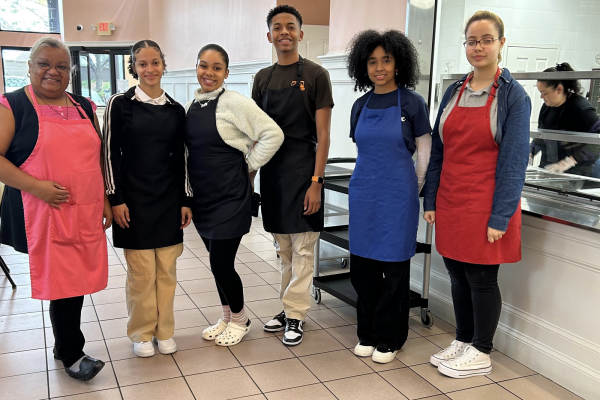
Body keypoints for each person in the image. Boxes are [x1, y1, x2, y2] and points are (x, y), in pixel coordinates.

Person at [422, 11, 531, 378]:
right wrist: (431, 198)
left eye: (486, 39)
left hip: (487, 203)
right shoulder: (454, 91)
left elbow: (514, 162)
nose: (478, 47)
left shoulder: (514, 97)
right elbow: (439, 151)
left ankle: (482, 350)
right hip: (452, 199)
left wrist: (501, 216)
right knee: (455, 273)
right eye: (472, 40)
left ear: (502, 43)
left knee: (481, 279)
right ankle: (463, 339)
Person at [0, 37, 110, 381]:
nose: (53, 71)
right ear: (29, 67)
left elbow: (98, 158)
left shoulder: (84, 105)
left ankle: (66, 347)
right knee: (65, 282)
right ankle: (71, 353)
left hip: (84, 209)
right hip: (43, 211)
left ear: (70, 72)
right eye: (44, 63)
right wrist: (37, 187)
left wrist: (105, 199)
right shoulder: (12, 105)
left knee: (75, 280)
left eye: (62, 66)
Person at [185, 44, 283, 346]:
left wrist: (248, 166)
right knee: (216, 263)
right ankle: (226, 315)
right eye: (204, 66)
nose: (209, 73)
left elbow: (273, 134)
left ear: (226, 73)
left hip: (230, 197)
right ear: (197, 68)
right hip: (203, 198)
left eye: (216, 68)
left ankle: (241, 319)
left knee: (221, 264)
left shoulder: (234, 103)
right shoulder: (194, 104)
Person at [346, 29, 432, 364]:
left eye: (386, 60)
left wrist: (418, 184)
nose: (379, 67)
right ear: (363, 66)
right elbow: (363, 149)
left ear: (398, 63)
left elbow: (424, 149)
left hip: (398, 195)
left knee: (394, 270)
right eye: (372, 61)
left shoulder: (412, 102)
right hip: (365, 194)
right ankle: (366, 333)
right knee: (362, 268)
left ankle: (390, 338)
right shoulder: (359, 105)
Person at [103, 40, 192, 357]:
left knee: (166, 272)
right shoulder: (119, 104)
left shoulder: (175, 110)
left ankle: (165, 331)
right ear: (134, 67)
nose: (150, 69)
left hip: (168, 201)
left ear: (163, 65)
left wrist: (186, 200)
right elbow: (109, 154)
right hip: (133, 203)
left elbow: (182, 158)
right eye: (142, 63)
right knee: (142, 274)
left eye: (155, 62)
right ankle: (141, 332)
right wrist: (115, 198)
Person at [253, 4, 334, 347]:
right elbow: (255, 132)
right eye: (277, 27)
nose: (283, 32)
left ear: (301, 34)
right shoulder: (262, 78)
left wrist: (317, 182)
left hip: (304, 169)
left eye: (290, 27)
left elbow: (324, 135)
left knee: (303, 249)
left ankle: (297, 315)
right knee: (283, 248)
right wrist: (248, 175)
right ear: (269, 35)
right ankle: (288, 308)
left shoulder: (316, 75)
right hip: (272, 172)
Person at [533, 62, 600, 177]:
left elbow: (597, 143)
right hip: (549, 168)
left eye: (544, 93)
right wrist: (530, 151)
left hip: (577, 173)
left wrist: (569, 161)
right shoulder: (547, 107)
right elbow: (542, 136)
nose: (541, 97)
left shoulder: (582, 110)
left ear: (559, 89)